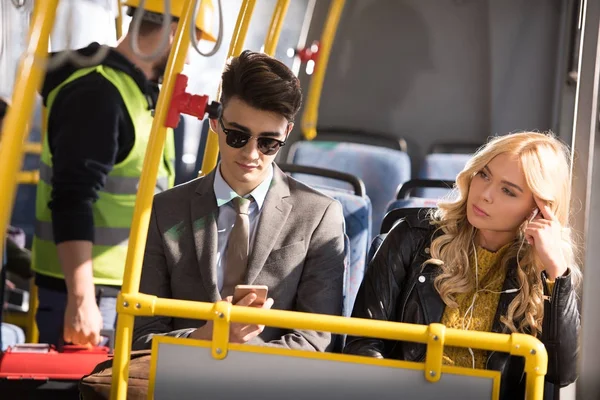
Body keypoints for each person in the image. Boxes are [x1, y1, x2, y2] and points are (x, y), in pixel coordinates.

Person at [31, 0, 217, 348]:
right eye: (189, 47)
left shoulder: (138, 93)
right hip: (88, 292)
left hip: (117, 286)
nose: (188, 60)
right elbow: (72, 199)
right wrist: (82, 299)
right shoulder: (97, 95)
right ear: (173, 34)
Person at [132, 50, 346, 352]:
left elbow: (316, 336)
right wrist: (207, 339)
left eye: (268, 142)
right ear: (215, 122)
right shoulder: (165, 210)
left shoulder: (319, 215)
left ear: (286, 133)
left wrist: (246, 371)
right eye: (237, 136)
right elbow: (140, 333)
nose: (251, 153)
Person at [344, 132, 580, 398]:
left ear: (537, 209)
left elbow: (561, 373)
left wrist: (556, 272)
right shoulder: (411, 236)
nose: (485, 194)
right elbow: (362, 341)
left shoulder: (542, 273)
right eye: (484, 175)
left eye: (507, 191)